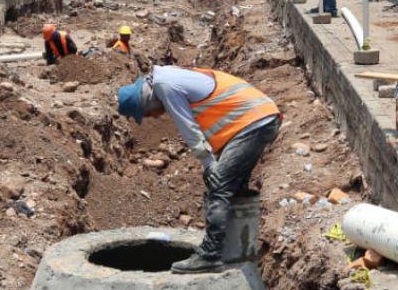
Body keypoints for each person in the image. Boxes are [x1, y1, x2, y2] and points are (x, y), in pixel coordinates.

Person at [116, 66, 281, 273]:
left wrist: (208, 163)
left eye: (149, 114)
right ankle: (238, 254)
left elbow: (189, 129)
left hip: (252, 122)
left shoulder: (164, 86)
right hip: (258, 118)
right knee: (234, 187)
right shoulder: (167, 76)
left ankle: (210, 255)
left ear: (146, 101)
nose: (156, 116)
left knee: (220, 186)